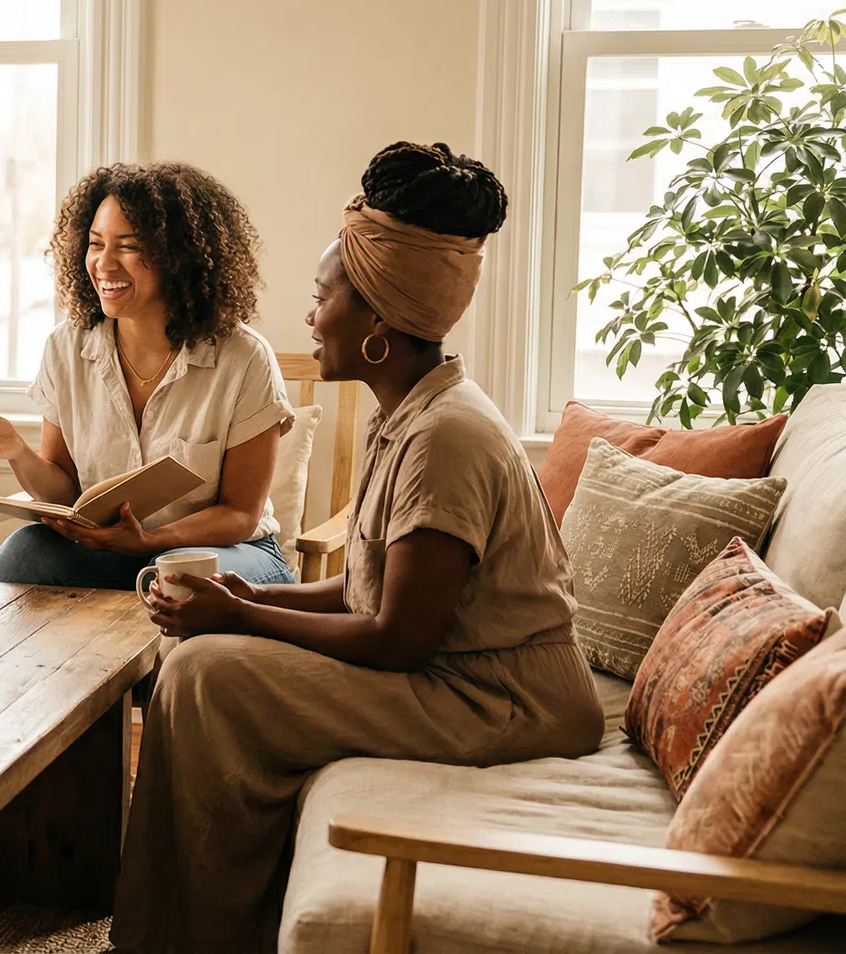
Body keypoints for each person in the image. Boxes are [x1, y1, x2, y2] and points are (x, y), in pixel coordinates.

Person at [110, 143, 603, 953]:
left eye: (321, 298)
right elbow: (364, 590)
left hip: (503, 700)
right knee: (206, 659)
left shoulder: (446, 436)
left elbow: (398, 638)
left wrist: (237, 616)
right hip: (455, 671)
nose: (309, 318)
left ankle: (192, 933)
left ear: (377, 320)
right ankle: (177, 924)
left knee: (207, 674)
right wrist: (242, 602)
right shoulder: (407, 411)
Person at [0, 161, 298, 590]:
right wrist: (18, 452)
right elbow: (65, 495)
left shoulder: (243, 358)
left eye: (128, 247)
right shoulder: (66, 347)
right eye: (95, 244)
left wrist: (150, 541)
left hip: (227, 554)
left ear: (179, 255)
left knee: (175, 571)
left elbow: (240, 515)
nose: (104, 264)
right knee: (24, 554)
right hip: (110, 552)